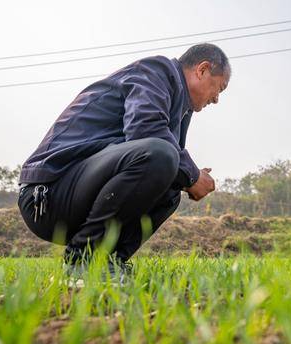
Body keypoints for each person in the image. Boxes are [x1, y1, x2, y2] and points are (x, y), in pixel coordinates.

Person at [17, 43, 230, 275]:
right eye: (220, 87)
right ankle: (84, 259)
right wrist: (193, 175)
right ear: (203, 69)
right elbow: (145, 129)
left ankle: (108, 261)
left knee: (171, 185)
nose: (217, 99)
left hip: (82, 192)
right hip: (49, 193)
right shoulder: (156, 72)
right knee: (163, 156)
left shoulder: (178, 105)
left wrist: (188, 175)